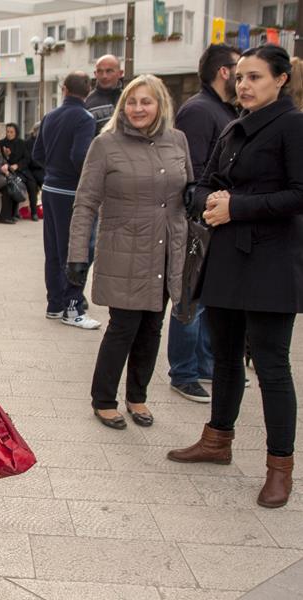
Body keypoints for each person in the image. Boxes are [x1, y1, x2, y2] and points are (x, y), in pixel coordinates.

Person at [167, 45, 303, 509]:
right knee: (224, 358)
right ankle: (216, 440)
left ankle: (279, 468)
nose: (244, 84)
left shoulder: (293, 126)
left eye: (255, 77)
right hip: (226, 257)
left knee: (271, 366)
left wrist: (236, 207)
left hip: (272, 262)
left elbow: (298, 195)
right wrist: (207, 200)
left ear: (281, 79)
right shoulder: (233, 125)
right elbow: (205, 180)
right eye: (240, 77)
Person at [68, 74, 193, 430]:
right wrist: (77, 254)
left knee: (153, 327)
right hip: (124, 250)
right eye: (132, 102)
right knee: (123, 327)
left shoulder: (178, 140)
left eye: (146, 101)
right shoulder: (105, 144)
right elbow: (86, 202)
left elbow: (188, 189)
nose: (138, 108)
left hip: (168, 249)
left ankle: (137, 396)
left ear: (160, 105)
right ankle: (104, 399)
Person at [167, 44, 240, 403]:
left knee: (207, 299)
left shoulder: (226, 109)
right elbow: (191, 171)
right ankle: (183, 371)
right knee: (190, 299)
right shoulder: (198, 110)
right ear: (224, 71)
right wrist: (205, 208)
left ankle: (204, 363)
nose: (244, 78)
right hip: (199, 222)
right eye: (240, 70)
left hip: (220, 221)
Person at [32, 71, 100, 330]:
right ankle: (73, 307)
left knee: (53, 250)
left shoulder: (50, 116)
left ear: (64, 89)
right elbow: (80, 156)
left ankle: (55, 304)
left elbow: (37, 154)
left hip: (50, 189)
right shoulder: (85, 118)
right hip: (72, 192)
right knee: (78, 248)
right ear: (88, 91)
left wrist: (53, 170)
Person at [0, 123, 39, 221]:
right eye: (7, 132)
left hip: (23, 170)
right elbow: (1, 160)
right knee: (16, 184)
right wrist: (7, 156)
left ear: (16, 132)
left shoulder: (21, 143)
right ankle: (14, 213)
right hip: (11, 171)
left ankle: (34, 212)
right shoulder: (1, 143)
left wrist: (18, 165)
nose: (9, 134)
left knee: (32, 185)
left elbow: (27, 158)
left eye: (11, 132)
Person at [86, 54, 124, 135]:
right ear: (95, 74)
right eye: (100, 71)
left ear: (120, 73)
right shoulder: (87, 102)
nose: (104, 76)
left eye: (109, 71)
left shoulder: (128, 99)